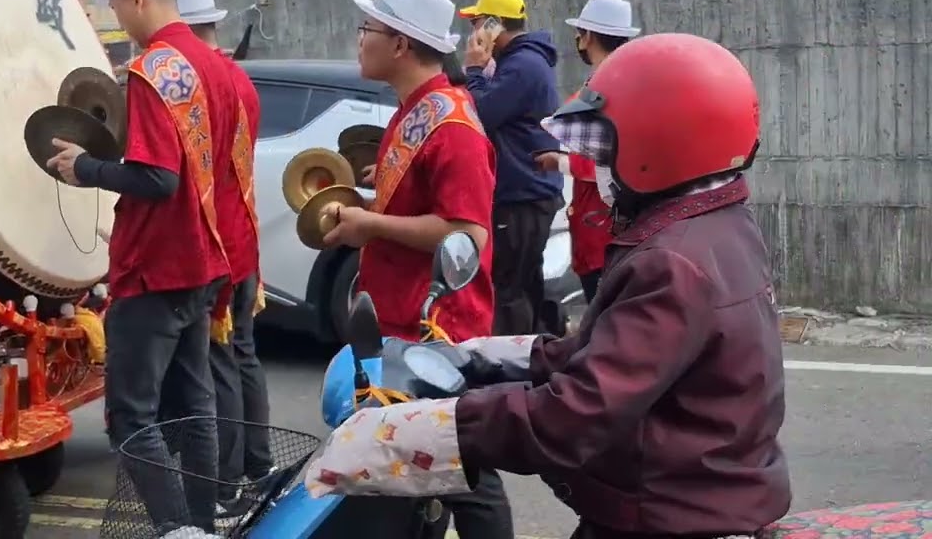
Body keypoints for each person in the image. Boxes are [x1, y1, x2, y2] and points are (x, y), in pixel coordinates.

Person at [305, 33, 790, 539]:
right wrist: (484, 358)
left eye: (605, 147)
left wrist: (421, 430)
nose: (594, 166)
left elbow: (574, 415)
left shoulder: (671, 261)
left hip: (668, 516)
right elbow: (610, 355)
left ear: (659, 142)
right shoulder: (719, 225)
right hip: (695, 495)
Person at [47, 0, 240, 536]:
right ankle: (203, 526)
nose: (120, 22)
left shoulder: (155, 69)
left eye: (118, 7)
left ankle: (177, 529)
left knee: (133, 420)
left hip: (154, 267)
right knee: (197, 409)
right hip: (203, 260)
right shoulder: (218, 67)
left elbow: (158, 178)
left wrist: (86, 169)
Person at [321, 0, 513, 539]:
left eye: (367, 29)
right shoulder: (416, 108)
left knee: (463, 474)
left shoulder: (450, 124)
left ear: (400, 43)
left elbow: (467, 235)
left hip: (436, 329)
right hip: (401, 318)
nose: (360, 39)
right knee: (417, 471)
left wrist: (370, 224)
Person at [176, 0, 277, 513]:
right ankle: (257, 465)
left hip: (218, 242)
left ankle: (228, 479)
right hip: (245, 236)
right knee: (244, 356)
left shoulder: (198, 80)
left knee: (218, 363)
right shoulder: (240, 79)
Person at [458, 0, 565, 336]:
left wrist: (474, 71)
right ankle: (540, 354)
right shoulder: (520, 63)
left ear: (493, 25)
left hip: (522, 195)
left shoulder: (522, 66)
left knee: (509, 290)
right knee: (524, 283)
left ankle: (514, 365)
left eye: (477, 23)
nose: (472, 32)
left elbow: (481, 114)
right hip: (528, 193)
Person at [534, 0, 641, 303]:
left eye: (580, 33)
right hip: (608, 227)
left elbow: (612, 162)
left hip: (602, 228)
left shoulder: (606, 87)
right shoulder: (627, 80)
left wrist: (561, 162)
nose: (579, 40)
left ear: (589, 36)